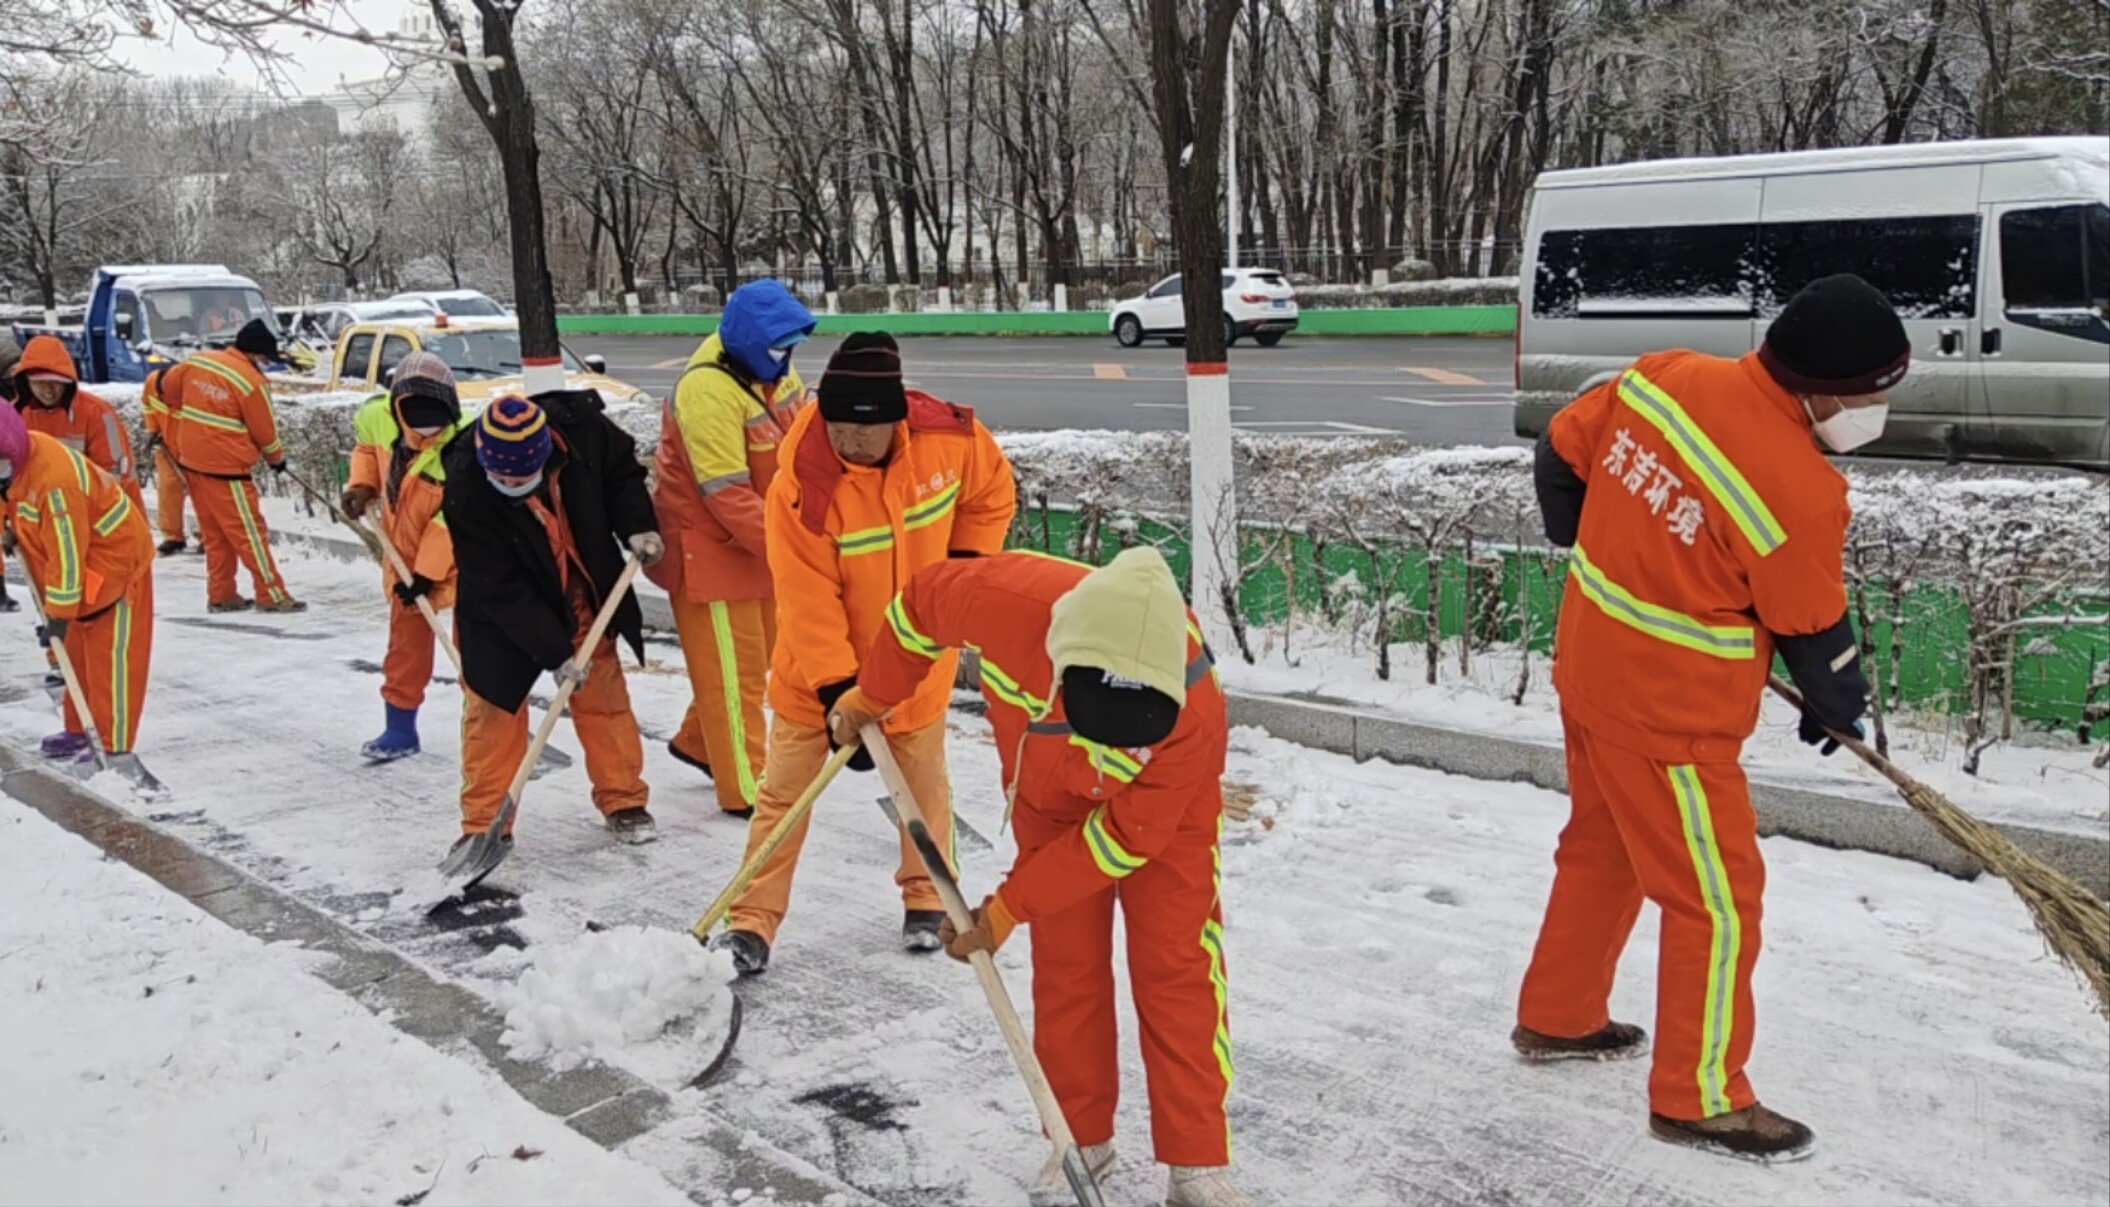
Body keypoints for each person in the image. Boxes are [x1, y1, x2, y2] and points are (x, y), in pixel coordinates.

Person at [1514, 274, 1897, 1163]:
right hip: (1669, 717)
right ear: (1828, 390)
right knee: (1718, 903)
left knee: (1603, 848)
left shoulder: (1664, 376)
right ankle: (1701, 1095)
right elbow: (1813, 629)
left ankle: (1558, 1014)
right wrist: (1839, 703)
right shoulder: (1800, 490)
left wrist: (1590, 537)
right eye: (1876, 389)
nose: (1877, 406)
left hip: (1590, 670)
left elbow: (1560, 452)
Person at [826, 547, 1251, 1207]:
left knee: (1178, 964)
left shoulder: (1194, 710)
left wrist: (1006, 906)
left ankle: (1195, 1159)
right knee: (1067, 963)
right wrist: (871, 693)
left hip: (1163, 813)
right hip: (1048, 796)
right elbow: (915, 615)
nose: (1107, 751)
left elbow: (1122, 838)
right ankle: (1080, 1137)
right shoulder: (1004, 599)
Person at [711, 332, 1016, 973]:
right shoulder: (804, 477)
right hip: (816, 675)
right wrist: (836, 691)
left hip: (916, 664)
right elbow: (804, 593)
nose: (849, 441)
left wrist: (962, 572)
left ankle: (928, 898)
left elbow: (992, 493)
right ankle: (750, 922)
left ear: (895, 421)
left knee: (924, 789)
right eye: (838, 425)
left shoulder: (952, 440)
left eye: (863, 431)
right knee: (784, 799)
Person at [440, 393, 664, 854]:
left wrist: (638, 524)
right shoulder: (467, 483)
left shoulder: (583, 433)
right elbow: (497, 584)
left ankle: (623, 799)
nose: (511, 484)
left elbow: (622, 476)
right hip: (500, 612)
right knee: (493, 714)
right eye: (502, 478)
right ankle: (484, 826)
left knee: (603, 696)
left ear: (546, 456)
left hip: (580, 588)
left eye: (521, 477)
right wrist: (553, 651)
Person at [648, 279, 815, 818]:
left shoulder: (774, 368)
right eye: (778, 348)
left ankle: (699, 742)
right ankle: (748, 788)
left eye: (792, 347)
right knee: (734, 676)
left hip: (756, 546)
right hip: (709, 553)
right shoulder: (707, 392)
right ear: (746, 343)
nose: (788, 358)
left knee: (754, 658)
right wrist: (796, 550)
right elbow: (727, 495)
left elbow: (803, 437)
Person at [0, 399, 155, 771]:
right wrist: (9, 528)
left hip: (116, 567)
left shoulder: (55, 483)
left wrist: (58, 615)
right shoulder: (19, 457)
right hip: (81, 570)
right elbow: (12, 501)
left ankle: (113, 748)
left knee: (111, 663)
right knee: (77, 658)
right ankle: (78, 728)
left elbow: (67, 556)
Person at [341, 352, 465, 761]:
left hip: (462, 555)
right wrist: (362, 486)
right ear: (398, 409)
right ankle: (400, 728)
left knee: (477, 648)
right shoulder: (378, 417)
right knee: (405, 647)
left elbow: (457, 516)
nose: (429, 430)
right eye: (418, 421)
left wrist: (428, 572)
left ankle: (490, 724)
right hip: (403, 554)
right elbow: (365, 449)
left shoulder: (464, 443)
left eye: (438, 421)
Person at [159, 318, 301, 613]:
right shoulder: (251, 383)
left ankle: (222, 594)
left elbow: (166, 390)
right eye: (264, 357)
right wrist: (276, 460)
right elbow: (265, 432)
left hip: (192, 463)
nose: (265, 363)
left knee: (216, 534)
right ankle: (271, 595)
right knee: (249, 534)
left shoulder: (196, 363)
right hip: (227, 470)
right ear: (254, 353)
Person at [11, 335, 144, 508]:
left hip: (103, 513)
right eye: (40, 383)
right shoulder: (15, 416)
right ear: (26, 382)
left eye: (55, 383)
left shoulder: (98, 413)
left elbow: (115, 475)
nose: (48, 390)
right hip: (44, 514)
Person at [141, 363, 192, 555]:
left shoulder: (194, 394)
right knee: (168, 489)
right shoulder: (152, 383)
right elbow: (147, 405)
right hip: (167, 447)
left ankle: (208, 537)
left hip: (196, 450)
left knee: (202, 493)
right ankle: (173, 537)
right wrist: (152, 428)